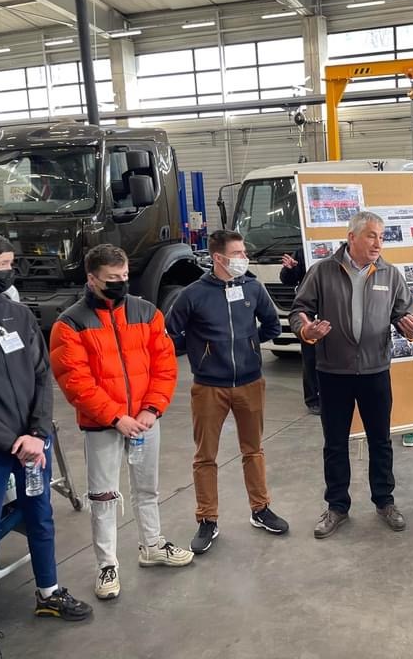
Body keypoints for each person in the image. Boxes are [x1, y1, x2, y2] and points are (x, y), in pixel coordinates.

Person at [0, 232, 92, 659]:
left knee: (40, 518)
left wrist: (37, 432)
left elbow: (42, 376)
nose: (8, 274)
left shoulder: (17, 313)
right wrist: (12, 441)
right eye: (1, 267)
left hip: (32, 445)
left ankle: (47, 593)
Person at [50, 244, 193, 601]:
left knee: (148, 489)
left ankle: (152, 545)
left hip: (145, 420)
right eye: (112, 279)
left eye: (125, 276)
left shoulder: (146, 312)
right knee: (104, 495)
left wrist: (151, 410)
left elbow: (165, 364)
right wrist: (115, 417)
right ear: (92, 279)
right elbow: (75, 382)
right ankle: (107, 565)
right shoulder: (70, 323)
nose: (120, 283)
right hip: (103, 424)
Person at [289, 211, 413, 539]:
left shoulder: (390, 275)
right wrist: (306, 330)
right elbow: (298, 310)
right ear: (352, 238)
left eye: (381, 236)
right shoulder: (323, 271)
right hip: (333, 371)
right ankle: (337, 507)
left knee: (381, 441)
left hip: (375, 371)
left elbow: (407, 314)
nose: (379, 242)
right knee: (335, 443)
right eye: (371, 236)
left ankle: (384, 501)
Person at [166, 230, 289, 554]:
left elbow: (272, 326)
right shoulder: (193, 295)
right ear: (218, 258)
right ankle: (207, 520)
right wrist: (199, 351)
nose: (243, 258)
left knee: (254, 449)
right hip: (209, 386)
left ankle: (260, 509)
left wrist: (249, 346)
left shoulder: (252, 287)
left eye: (244, 252)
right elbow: (170, 333)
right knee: (205, 456)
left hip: (250, 382)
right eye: (237, 253)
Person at [280, 248, 321, 416]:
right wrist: (289, 269)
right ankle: (313, 399)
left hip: (338, 310)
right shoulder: (304, 249)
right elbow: (288, 280)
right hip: (310, 312)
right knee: (311, 358)